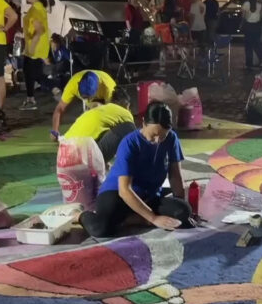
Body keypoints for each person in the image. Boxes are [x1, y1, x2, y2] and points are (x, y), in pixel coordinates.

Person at [78, 101, 192, 237]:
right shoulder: (129, 143)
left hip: (149, 196)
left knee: (183, 211)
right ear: (143, 123)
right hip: (118, 194)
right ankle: (80, 215)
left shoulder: (171, 139)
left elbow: (175, 176)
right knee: (101, 229)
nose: (157, 141)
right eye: (153, 135)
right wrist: (153, 218)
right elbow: (124, 190)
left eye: (162, 136)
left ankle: (131, 218)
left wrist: (180, 202)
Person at [51, 69, 116, 138]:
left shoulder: (109, 88)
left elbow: (114, 112)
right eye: (84, 97)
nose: (87, 100)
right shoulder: (73, 84)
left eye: (88, 97)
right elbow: (60, 108)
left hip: (105, 100)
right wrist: (55, 131)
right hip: (95, 98)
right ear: (78, 84)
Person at [64, 101, 136, 162]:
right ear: (127, 107)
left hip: (64, 156)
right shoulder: (125, 113)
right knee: (129, 127)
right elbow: (133, 134)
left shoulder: (90, 113)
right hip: (84, 158)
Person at [20, 0, 51, 110]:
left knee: (33, 74)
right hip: (34, 48)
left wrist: (32, 45)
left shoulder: (36, 9)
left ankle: (54, 89)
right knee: (32, 74)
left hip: (34, 49)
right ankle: (31, 99)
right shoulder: (38, 7)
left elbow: (40, 30)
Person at [241, 0, 262, 69]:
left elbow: (243, 16)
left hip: (248, 26)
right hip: (257, 27)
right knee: (256, 45)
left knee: (248, 46)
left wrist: (241, 25)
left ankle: (249, 64)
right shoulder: (259, 4)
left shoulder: (246, 4)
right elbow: (261, 16)